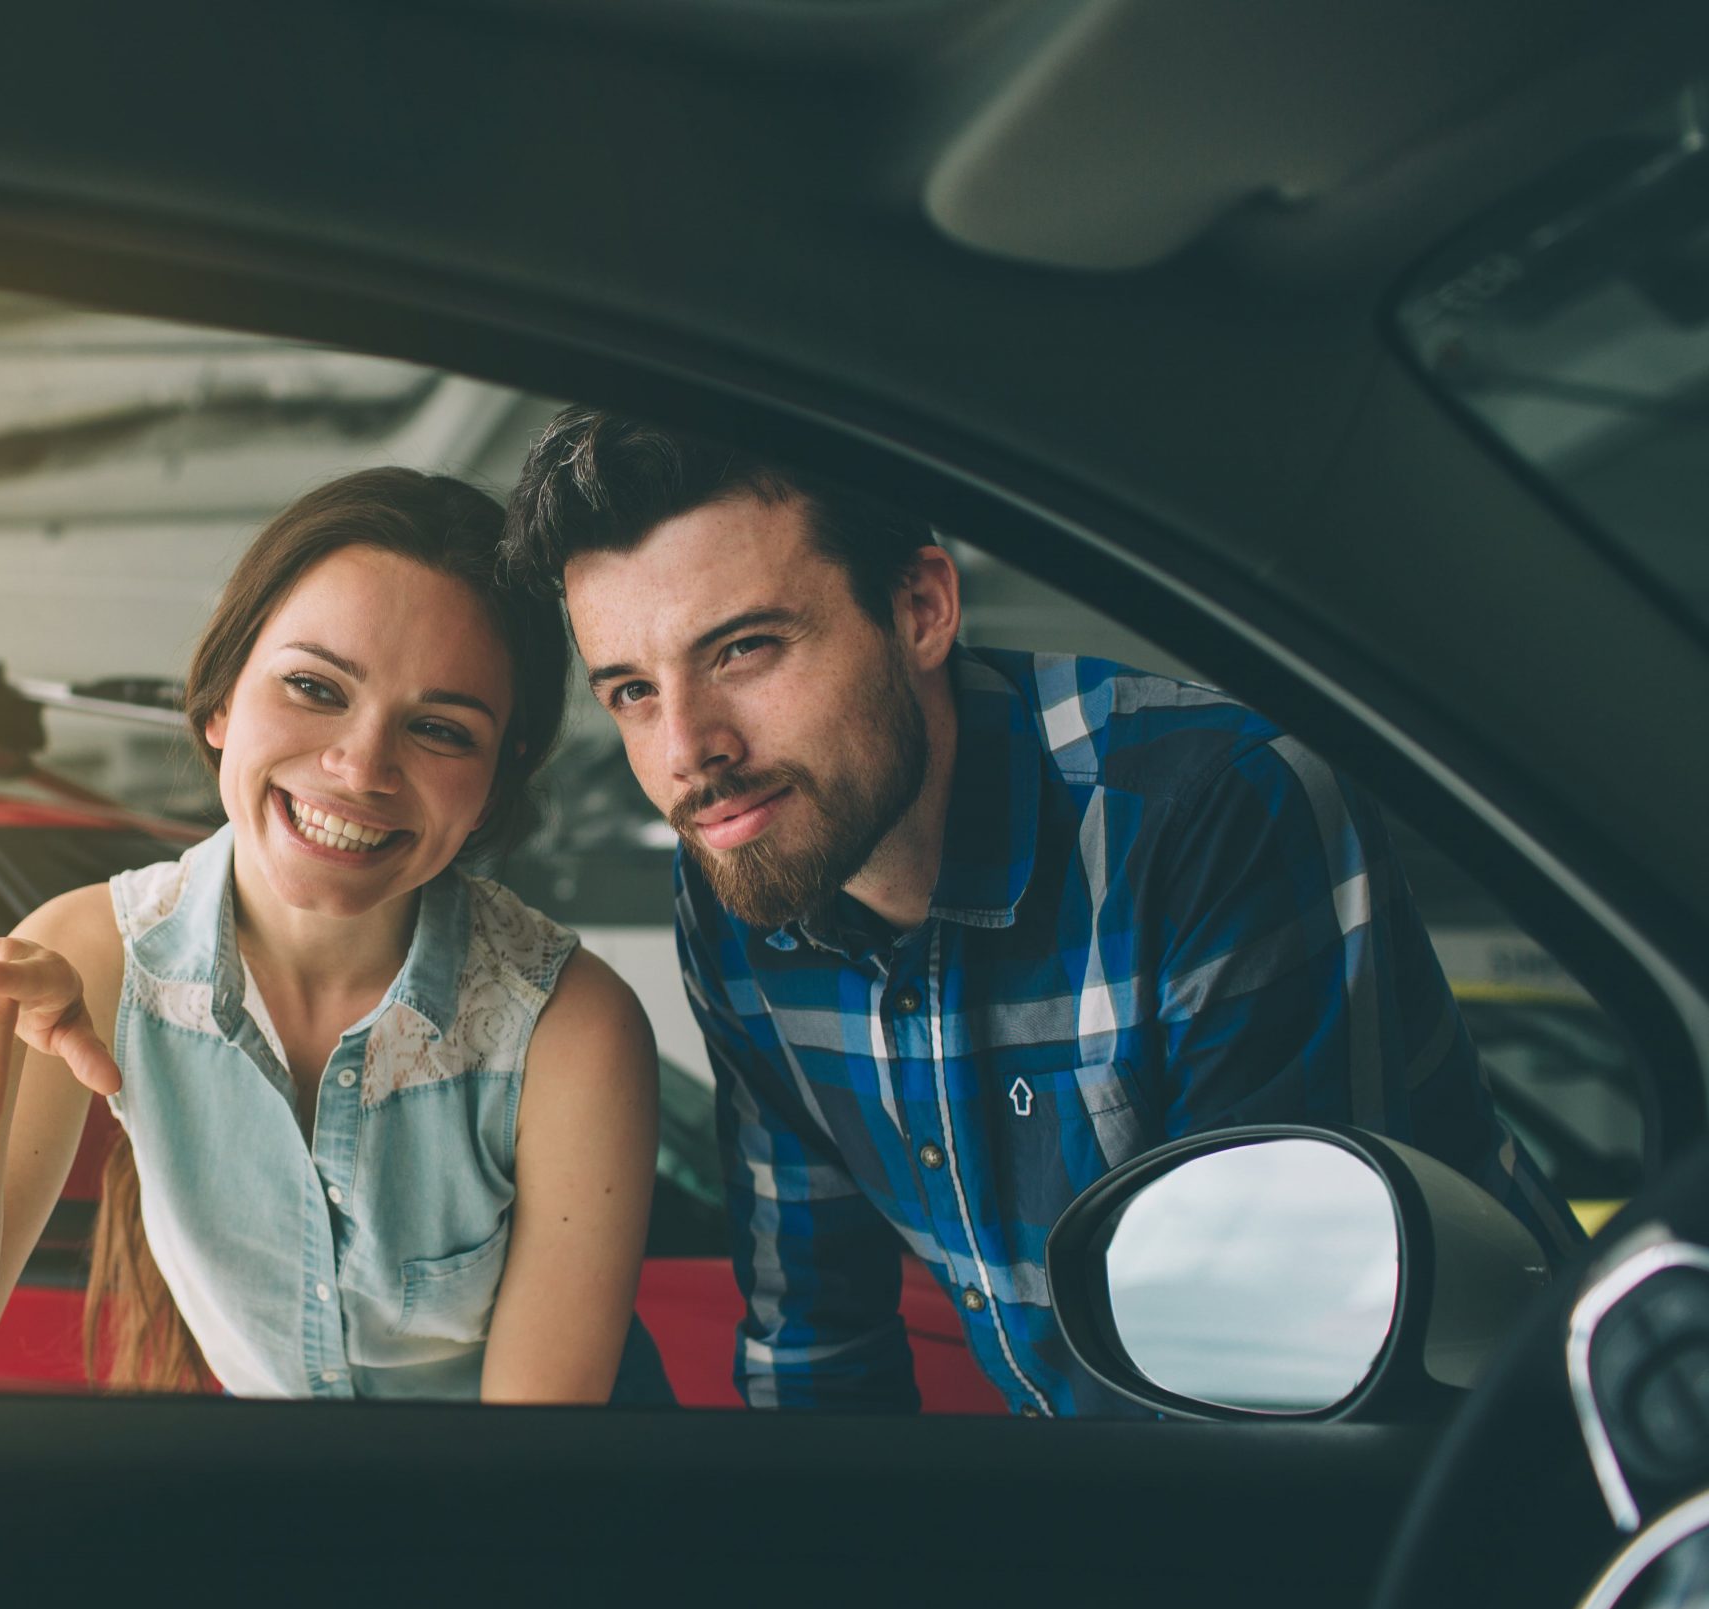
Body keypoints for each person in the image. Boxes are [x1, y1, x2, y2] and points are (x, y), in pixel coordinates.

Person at [500, 408, 1583, 1416]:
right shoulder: (743, 864)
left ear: (920, 608)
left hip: (1486, 1478)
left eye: (742, 649)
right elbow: (816, 1339)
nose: (688, 751)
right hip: (1119, 1492)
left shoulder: (1203, 811)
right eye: (632, 691)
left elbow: (1293, 1373)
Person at [0, 467, 666, 1403]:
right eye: (315, 686)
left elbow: (525, 1478)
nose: (360, 768)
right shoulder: (94, 956)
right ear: (221, 698)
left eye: (439, 729)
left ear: (495, 781)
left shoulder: (568, 1028)